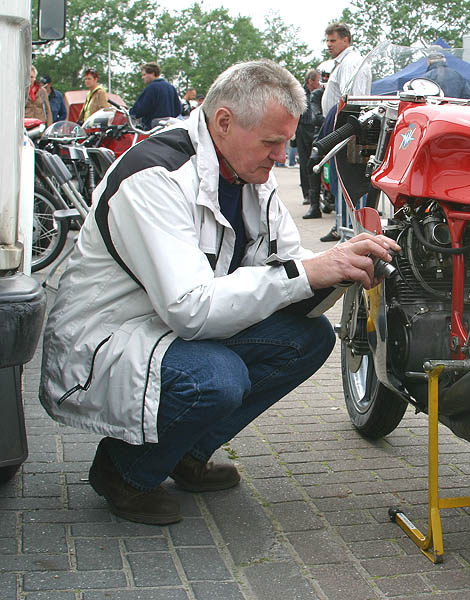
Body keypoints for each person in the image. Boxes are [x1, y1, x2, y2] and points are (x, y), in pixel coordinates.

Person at [38, 59, 400, 525]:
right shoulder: (155, 177)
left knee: (310, 341)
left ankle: (186, 452)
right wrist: (311, 271)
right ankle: (123, 470)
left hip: (165, 330)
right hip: (110, 337)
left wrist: (340, 268)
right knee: (217, 379)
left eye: (286, 142)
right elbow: (191, 309)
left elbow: (286, 270)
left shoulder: (249, 176)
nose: (281, 156)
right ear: (224, 121)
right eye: (272, 142)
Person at [315, 22, 369, 240]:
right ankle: (344, 228)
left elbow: (351, 101)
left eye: (333, 40)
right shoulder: (344, 63)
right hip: (341, 129)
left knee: (348, 184)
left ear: (345, 40)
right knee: (340, 184)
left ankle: (351, 232)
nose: (329, 45)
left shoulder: (350, 63)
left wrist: (345, 131)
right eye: (327, 41)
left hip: (345, 130)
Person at [297, 69, 323, 213]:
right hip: (302, 129)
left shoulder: (320, 94)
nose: (320, 83)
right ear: (310, 81)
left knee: (314, 161)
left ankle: (320, 197)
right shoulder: (300, 93)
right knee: (305, 161)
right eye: (318, 80)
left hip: (315, 129)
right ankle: (307, 194)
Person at [129, 62, 182, 130]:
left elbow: (140, 108)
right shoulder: (171, 88)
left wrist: (131, 113)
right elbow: (178, 109)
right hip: (169, 129)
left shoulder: (151, 88)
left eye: (144, 75)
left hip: (153, 130)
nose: (142, 77)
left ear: (152, 73)